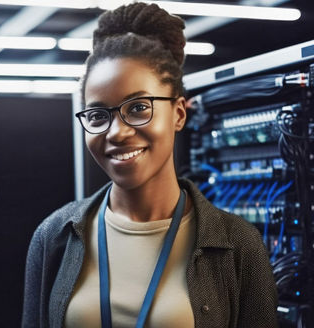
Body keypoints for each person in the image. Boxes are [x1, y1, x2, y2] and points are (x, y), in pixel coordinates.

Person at [22, 2, 278, 328]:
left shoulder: (238, 245)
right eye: (99, 115)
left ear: (179, 114)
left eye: (139, 107)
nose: (117, 132)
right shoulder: (54, 236)